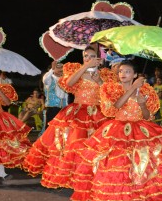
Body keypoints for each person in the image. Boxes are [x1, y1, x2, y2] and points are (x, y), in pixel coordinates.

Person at [70, 61, 162, 201]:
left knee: (141, 168)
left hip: (141, 131)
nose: (123, 74)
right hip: (118, 132)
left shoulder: (145, 91)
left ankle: (141, 200)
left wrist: (143, 104)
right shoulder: (111, 88)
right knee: (121, 169)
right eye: (121, 71)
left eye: (128, 71)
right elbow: (115, 107)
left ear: (135, 74)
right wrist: (132, 88)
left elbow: (146, 116)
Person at [23, 46, 108, 188]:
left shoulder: (104, 75)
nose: (88, 58)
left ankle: (90, 177)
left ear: (98, 58)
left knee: (93, 147)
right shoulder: (76, 71)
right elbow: (68, 83)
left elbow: (108, 93)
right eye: (86, 56)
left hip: (97, 115)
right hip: (77, 112)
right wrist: (85, 67)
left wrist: (99, 81)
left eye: (92, 56)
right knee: (70, 145)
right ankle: (69, 177)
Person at [41, 61, 68, 131]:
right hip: (52, 108)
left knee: (61, 129)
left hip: (63, 109)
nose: (61, 69)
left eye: (62, 67)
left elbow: (66, 96)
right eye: (58, 67)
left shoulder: (65, 80)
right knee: (50, 130)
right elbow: (45, 80)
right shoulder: (50, 78)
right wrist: (52, 69)